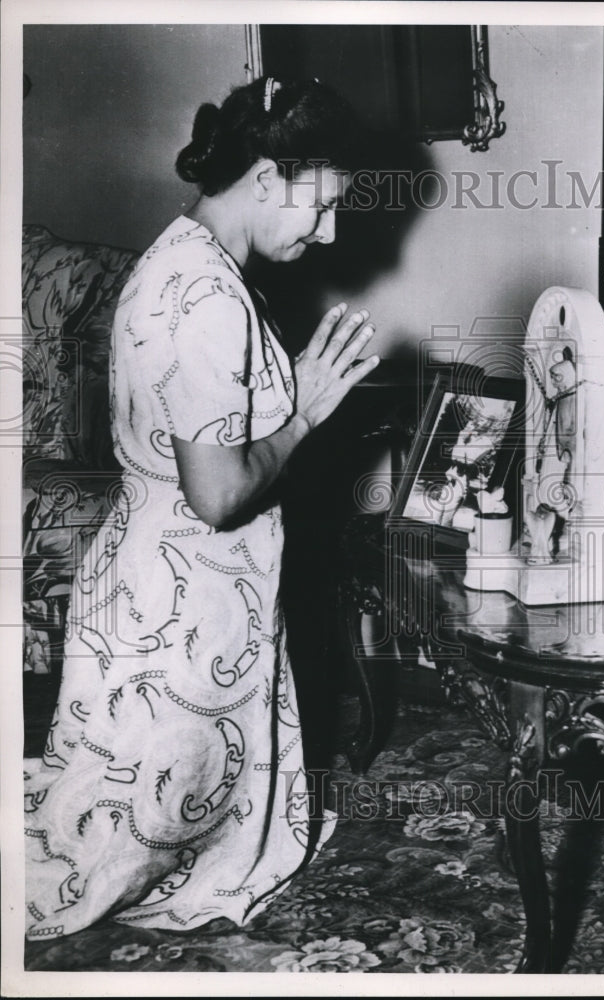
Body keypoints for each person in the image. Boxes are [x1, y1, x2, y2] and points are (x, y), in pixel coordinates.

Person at [24, 76, 379, 939]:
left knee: (145, 807)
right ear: (263, 178)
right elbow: (218, 495)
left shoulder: (184, 257)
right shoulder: (208, 296)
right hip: (185, 601)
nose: (328, 230)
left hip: (153, 575)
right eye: (321, 205)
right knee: (133, 843)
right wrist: (305, 412)